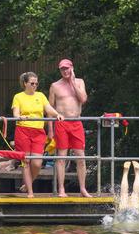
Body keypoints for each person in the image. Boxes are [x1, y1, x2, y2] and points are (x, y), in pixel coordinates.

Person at [13, 72, 65, 198]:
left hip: (38, 132)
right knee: (26, 161)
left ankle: (28, 184)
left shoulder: (40, 95)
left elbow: (48, 108)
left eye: (36, 83)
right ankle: (30, 192)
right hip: (23, 130)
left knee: (37, 163)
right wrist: (19, 116)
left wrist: (57, 114)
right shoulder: (18, 97)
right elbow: (15, 113)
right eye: (32, 83)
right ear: (25, 83)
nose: (35, 85)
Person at [49, 59, 92, 198]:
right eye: (62, 69)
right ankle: (61, 189)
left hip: (76, 122)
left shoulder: (79, 82)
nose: (65, 71)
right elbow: (49, 109)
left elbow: (83, 99)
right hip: (61, 123)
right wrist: (50, 130)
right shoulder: (55, 86)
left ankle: (83, 189)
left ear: (72, 68)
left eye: (67, 68)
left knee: (81, 157)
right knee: (61, 157)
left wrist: (72, 82)